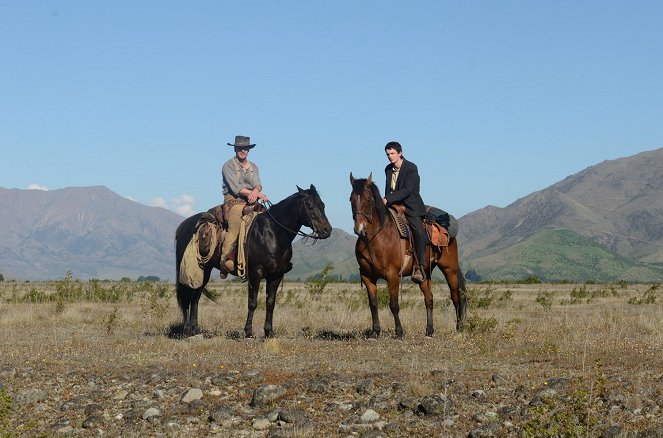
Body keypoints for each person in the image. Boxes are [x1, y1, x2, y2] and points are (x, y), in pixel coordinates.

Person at [220, 135, 268, 277]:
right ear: (235, 148)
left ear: (249, 150)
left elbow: (258, 184)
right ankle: (226, 260)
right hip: (234, 201)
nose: (243, 150)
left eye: (245, 148)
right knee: (234, 225)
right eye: (240, 148)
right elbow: (235, 188)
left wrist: (255, 192)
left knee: (267, 222)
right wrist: (253, 194)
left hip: (252, 200)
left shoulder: (253, 166)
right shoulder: (228, 165)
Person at [382, 141, 430, 284]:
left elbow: (408, 190)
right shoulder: (388, 169)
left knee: (419, 232)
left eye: (392, 153)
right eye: (387, 154)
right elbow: (388, 188)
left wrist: (387, 199)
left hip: (410, 206)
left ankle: (420, 266)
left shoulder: (411, 168)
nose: (390, 157)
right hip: (393, 205)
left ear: (400, 153)